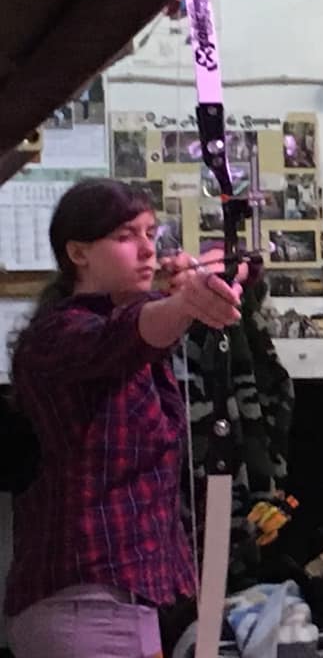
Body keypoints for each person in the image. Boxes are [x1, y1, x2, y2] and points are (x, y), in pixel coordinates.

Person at [4, 178, 246, 658]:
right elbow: (130, 333)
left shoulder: (126, 324)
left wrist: (209, 282)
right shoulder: (59, 334)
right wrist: (186, 301)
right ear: (78, 253)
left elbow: (143, 327)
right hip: (82, 608)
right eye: (124, 236)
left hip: (121, 608)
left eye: (151, 233)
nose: (147, 249)